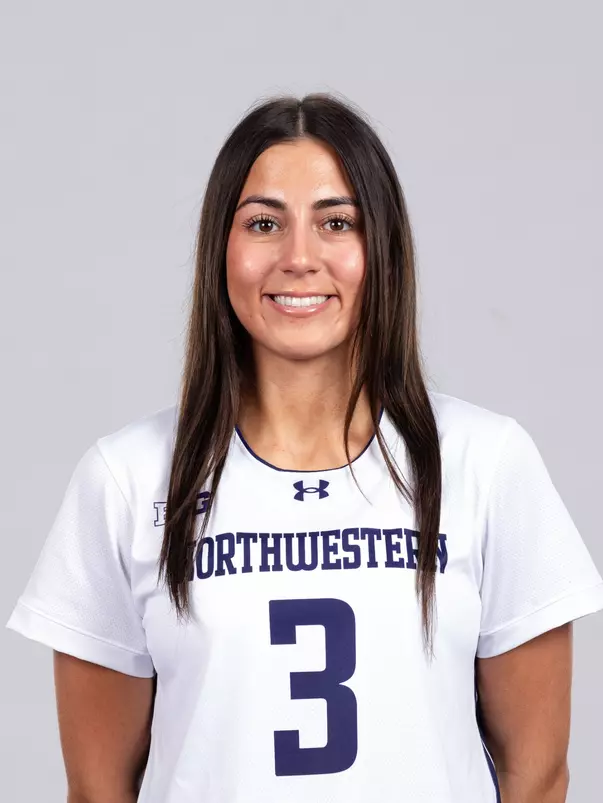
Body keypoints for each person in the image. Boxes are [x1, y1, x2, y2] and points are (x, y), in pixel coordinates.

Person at [6, 92, 603, 803]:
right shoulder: (127, 478)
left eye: (336, 223)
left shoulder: (485, 462)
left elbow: (537, 776)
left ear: (379, 248)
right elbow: (98, 789)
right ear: (219, 248)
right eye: (263, 223)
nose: (298, 258)